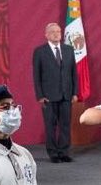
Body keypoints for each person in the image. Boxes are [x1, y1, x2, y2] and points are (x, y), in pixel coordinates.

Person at [32, 22, 78, 162]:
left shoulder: (69, 50)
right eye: (52, 32)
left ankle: (64, 152)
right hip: (48, 96)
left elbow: (73, 74)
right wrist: (40, 95)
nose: (56, 34)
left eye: (58, 31)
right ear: (46, 35)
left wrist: (74, 93)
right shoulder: (40, 52)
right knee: (50, 126)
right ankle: (53, 154)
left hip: (66, 95)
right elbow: (36, 75)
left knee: (65, 125)